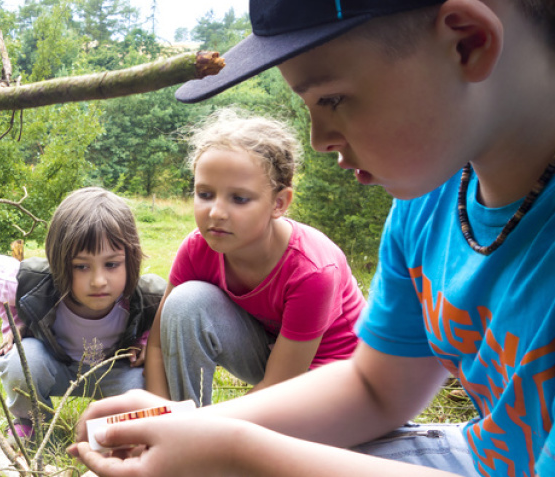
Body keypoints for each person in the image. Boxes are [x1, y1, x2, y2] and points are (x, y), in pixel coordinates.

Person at [67, 1, 555, 476]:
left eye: (333, 98)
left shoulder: (319, 262)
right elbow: (375, 388)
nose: (319, 138)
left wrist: (233, 452)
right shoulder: (428, 202)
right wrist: (185, 425)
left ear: (467, 42)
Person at [144, 108, 365, 406]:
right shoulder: (198, 248)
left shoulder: (312, 270)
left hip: (335, 379)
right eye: (205, 194)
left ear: (279, 203)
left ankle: (195, 436)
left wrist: (201, 432)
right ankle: (183, 423)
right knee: (185, 302)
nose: (216, 212)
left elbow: (279, 387)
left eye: (239, 198)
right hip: (276, 357)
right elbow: (156, 346)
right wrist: (158, 416)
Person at [0, 187, 165, 441]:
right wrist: (15, 322)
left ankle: (117, 432)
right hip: (55, 366)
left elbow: (169, 316)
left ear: (131, 260)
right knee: (22, 362)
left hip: (114, 371)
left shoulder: (148, 296)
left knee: (148, 382)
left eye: (111, 264)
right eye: (81, 266)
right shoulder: (37, 284)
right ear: (59, 263)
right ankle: (31, 422)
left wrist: (147, 341)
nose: (98, 281)